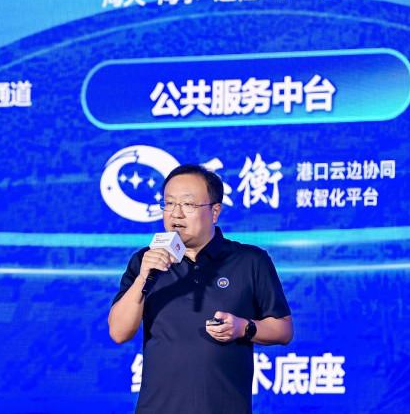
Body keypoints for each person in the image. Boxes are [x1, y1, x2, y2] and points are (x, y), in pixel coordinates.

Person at [108, 164, 293, 414]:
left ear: (214, 212)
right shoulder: (145, 261)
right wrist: (143, 279)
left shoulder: (250, 260)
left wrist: (243, 327)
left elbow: (284, 330)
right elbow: (118, 332)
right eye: (169, 203)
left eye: (188, 204)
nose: (176, 214)